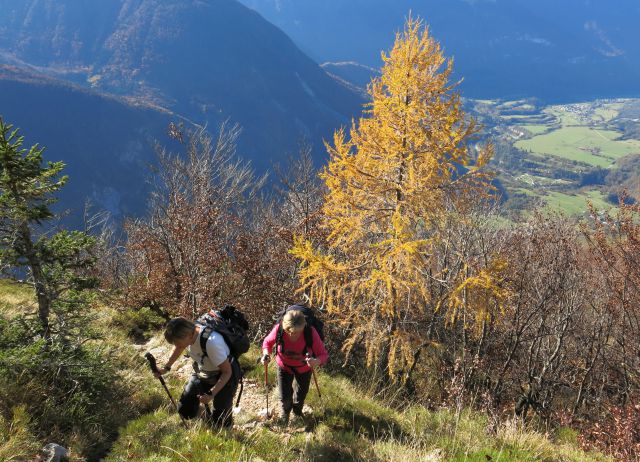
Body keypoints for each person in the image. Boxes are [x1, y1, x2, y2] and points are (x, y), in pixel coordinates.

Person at [154, 317, 240, 428]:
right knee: (185, 410)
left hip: (225, 375)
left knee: (222, 421)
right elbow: (179, 347)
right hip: (203, 371)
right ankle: (210, 421)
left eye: (178, 343)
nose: (177, 346)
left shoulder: (212, 343)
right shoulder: (188, 336)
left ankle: (222, 426)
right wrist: (166, 368)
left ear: (189, 335)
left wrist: (211, 394)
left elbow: (227, 372)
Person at [261, 309, 328, 425]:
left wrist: (315, 361)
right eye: (288, 331)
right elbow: (267, 342)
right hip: (284, 366)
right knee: (284, 395)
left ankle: (297, 413)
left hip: (304, 369)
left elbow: (324, 355)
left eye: (296, 332)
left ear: (303, 326)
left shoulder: (310, 332)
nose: (291, 334)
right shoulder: (279, 329)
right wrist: (266, 354)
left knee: (301, 394)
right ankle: (285, 415)